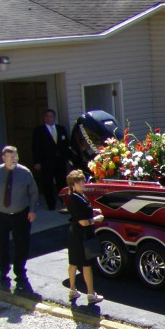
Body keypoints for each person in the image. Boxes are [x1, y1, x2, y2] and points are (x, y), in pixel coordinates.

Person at [0, 146, 38, 291]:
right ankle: (3, 273)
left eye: (15, 156)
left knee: (21, 244)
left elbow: (34, 193)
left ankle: (20, 273)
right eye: (10, 157)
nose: (13, 160)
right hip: (0, 214)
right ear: (3, 158)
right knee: (2, 244)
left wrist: (32, 210)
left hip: (20, 214)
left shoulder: (24, 172)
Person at [65, 169, 104, 305]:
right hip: (82, 234)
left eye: (83, 181)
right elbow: (82, 221)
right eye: (79, 182)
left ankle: (72, 290)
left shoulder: (77, 196)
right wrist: (96, 219)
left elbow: (80, 212)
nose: (83, 183)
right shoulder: (77, 199)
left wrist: (92, 211)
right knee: (86, 264)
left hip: (75, 233)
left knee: (74, 262)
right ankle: (91, 294)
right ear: (73, 185)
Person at [31, 108, 70, 212]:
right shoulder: (39, 131)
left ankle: (63, 202)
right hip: (46, 162)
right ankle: (51, 204)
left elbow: (66, 145)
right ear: (44, 118)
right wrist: (36, 162)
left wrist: (67, 159)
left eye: (51, 116)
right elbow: (35, 147)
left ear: (54, 118)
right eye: (47, 116)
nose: (49, 118)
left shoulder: (61, 129)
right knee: (47, 183)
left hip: (59, 162)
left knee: (61, 182)